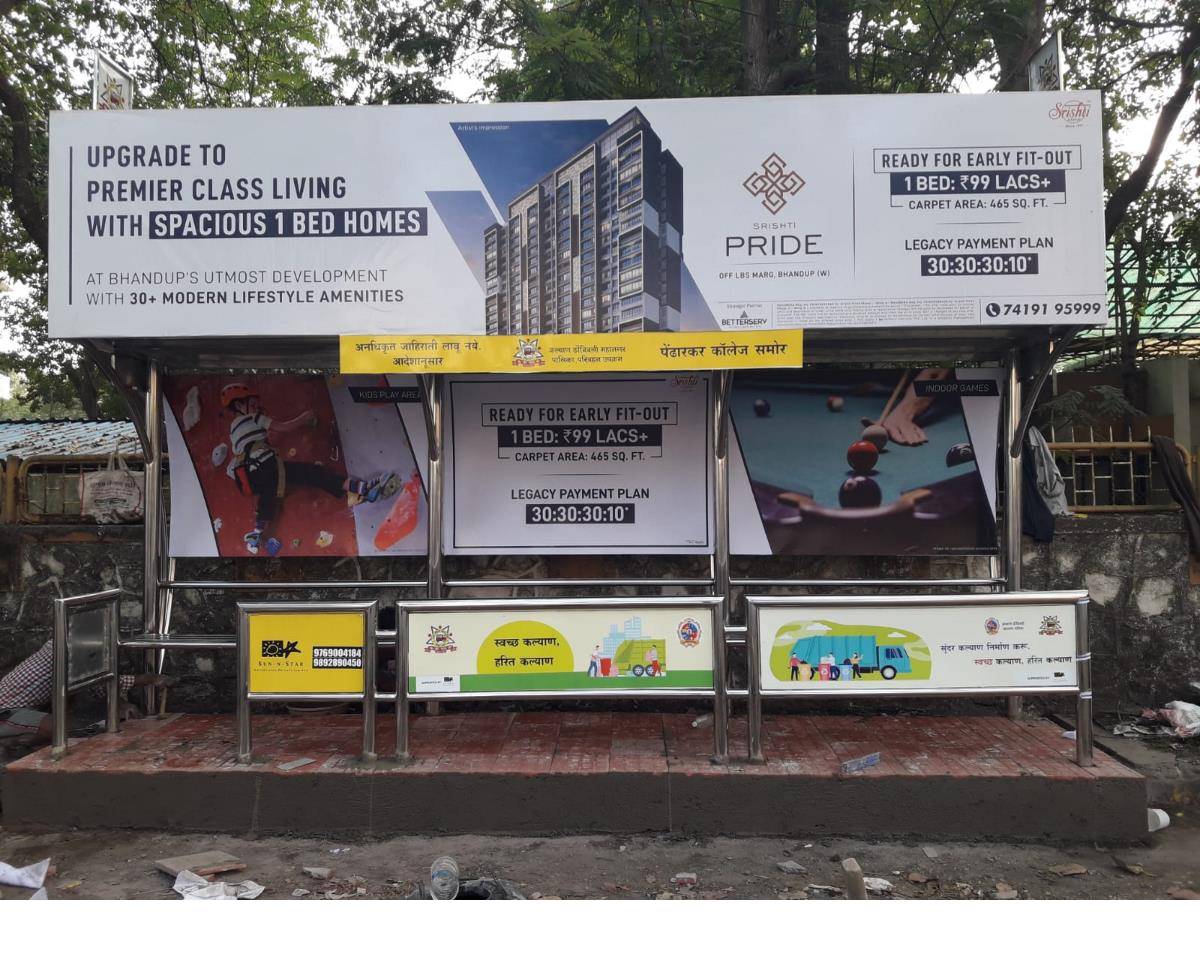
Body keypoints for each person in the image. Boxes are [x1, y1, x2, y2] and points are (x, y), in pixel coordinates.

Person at [221, 382, 396, 554]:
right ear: (239, 404)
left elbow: (247, 446)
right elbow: (283, 427)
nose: (257, 407)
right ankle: (364, 489)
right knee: (312, 474)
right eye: (252, 403)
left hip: (250, 477)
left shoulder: (232, 429)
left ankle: (256, 535)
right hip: (267, 467)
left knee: (268, 496)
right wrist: (304, 417)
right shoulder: (254, 417)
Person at [0, 638, 174, 745]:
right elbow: (98, 678)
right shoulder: (61, 650)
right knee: (62, 728)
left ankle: (20, 740)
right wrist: (150, 679)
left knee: (69, 726)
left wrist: (121, 704)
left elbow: (96, 683)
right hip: (6, 712)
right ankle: (16, 740)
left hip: (21, 711)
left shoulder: (73, 652)